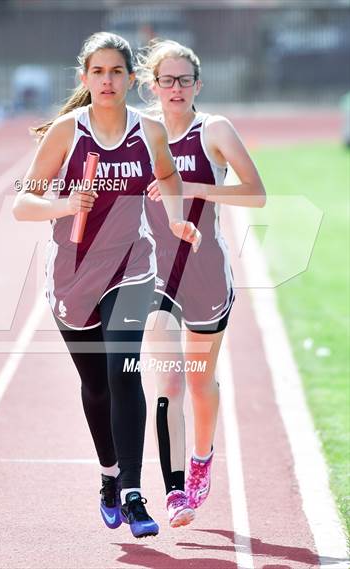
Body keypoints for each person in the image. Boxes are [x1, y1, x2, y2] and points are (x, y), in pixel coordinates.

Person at [12, 32, 201, 539]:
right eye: (98, 72)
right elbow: (21, 202)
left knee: (124, 373)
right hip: (73, 276)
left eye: (116, 71)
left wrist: (178, 218)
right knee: (96, 386)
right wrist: (65, 205)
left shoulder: (150, 131)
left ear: (130, 79)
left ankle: (137, 495)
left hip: (132, 269)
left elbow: (167, 177)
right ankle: (109, 477)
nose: (108, 80)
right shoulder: (66, 133)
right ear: (84, 79)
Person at [136, 39, 266, 528]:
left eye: (184, 80)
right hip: (154, 276)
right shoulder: (139, 132)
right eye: (166, 80)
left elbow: (256, 194)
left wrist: (195, 188)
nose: (175, 89)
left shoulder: (214, 130)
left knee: (198, 380)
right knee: (168, 377)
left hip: (206, 271)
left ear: (198, 84)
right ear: (152, 84)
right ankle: (174, 493)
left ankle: (202, 459)